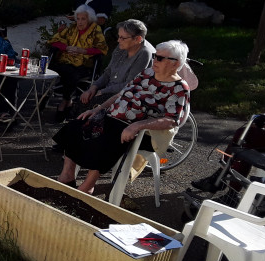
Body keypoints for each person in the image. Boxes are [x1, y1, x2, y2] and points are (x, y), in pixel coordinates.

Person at [52, 40, 191, 194]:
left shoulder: (179, 88)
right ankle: (67, 176)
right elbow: (121, 94)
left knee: (108, 137)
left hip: (141, 132)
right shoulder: (147, 73)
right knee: (77, 124)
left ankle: (87, 186)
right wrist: (98, 109)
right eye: (154, 56)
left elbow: (172, 120)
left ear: (175, 63)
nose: (154, 61)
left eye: (159, 58)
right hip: (113, 119)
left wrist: (138, 125)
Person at [75, 19, 154, 113]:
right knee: (80, 100)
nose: (118, 40)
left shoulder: (144, 53)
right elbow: (108, 72)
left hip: (126, 95)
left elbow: (130, 84)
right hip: (109, 89)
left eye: (122, 38)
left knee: (85, 108)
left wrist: (103, 91)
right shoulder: (122, 47)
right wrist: (93, 87)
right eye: (119, 36)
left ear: (138, 39)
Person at [48, 4, 109, 122]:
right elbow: (54, 41)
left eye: (83, 19)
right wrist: (66, 48)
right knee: (63, 69)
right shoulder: (72, 28)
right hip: (66, 60)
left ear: (89, 19)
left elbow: (102, 49)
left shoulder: (95, 30)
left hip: (85, 63)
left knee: (71, 72)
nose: (80, 22)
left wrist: (83, 50)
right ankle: (68, 101)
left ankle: (64, 102)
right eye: (78, 19)